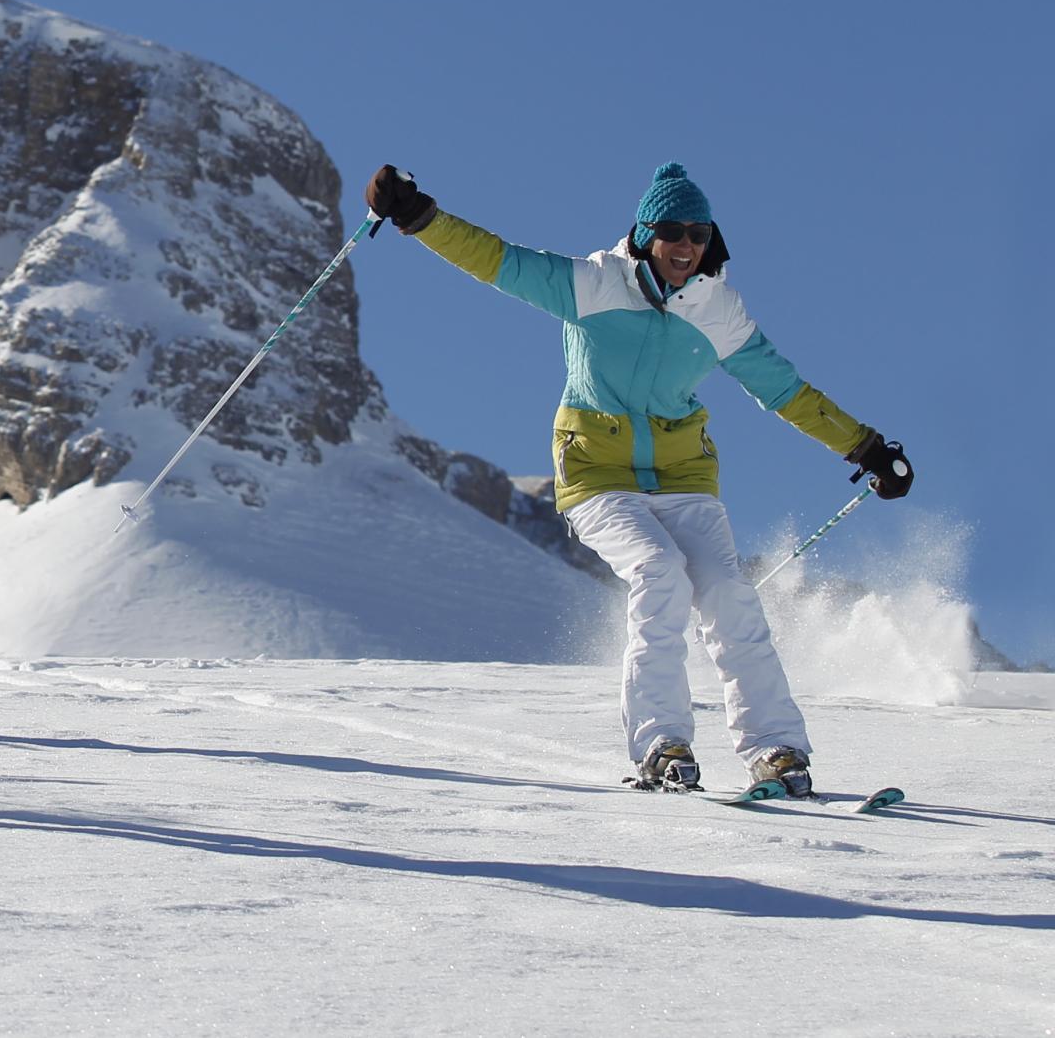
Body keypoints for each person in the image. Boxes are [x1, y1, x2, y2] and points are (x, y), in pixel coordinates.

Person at [364, 160, 914, 797]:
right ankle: (661, 743)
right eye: (673, 232)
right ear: (646, 233)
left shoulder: (720, 310)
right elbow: (498, 261)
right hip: (596, 472)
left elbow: (785, 390)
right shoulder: (592, 283)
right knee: (658, 571)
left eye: (699, 235)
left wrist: (866, 447)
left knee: (728, 594)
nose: (686, 246)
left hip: (684, 473)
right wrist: (418, 217)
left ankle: (777, 750)